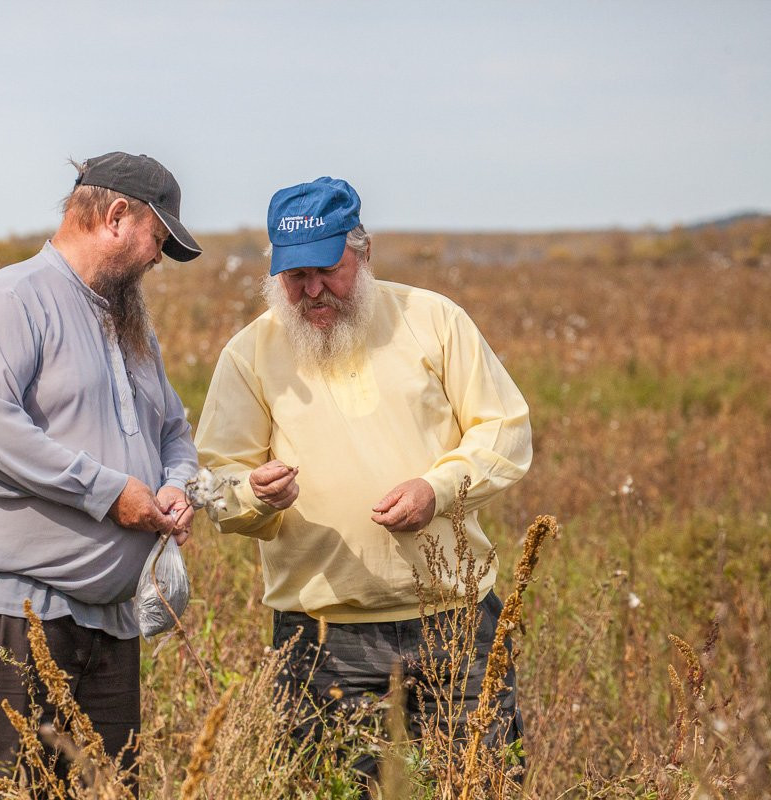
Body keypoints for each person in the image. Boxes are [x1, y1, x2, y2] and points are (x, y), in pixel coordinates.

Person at [193, 177, 533, 778]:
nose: (312, 290)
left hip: (457, 623)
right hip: (322, 639)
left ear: (363, 251)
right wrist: (255, 495)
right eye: (294, 277)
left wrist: (439, 489)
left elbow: (503, 430)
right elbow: (217, 482)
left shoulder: (433, 321)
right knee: (331, 789)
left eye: (326, 269)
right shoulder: (249, 353)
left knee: (482, 783)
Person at [0, 152, 202, 781]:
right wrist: (108, 493)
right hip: (3, 621)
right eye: (158, 239)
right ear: (117, 216)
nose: (158, 259)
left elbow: (173, 428)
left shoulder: (131, 328)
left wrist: (176, 484)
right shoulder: (8, 301)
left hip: (106, 625)